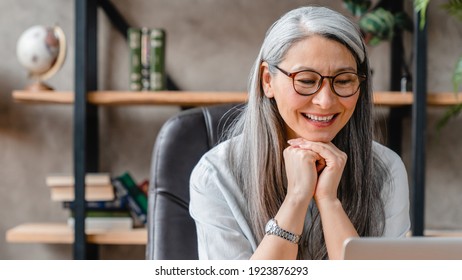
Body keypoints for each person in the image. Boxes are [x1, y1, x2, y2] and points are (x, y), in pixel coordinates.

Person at [189, 6, 410, 260]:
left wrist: (329, 201)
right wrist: (296, 197)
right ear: (267, 81)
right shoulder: (217, 174)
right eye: (306, 80)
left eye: (344, 80)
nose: (326, 101)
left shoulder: (385, 169)